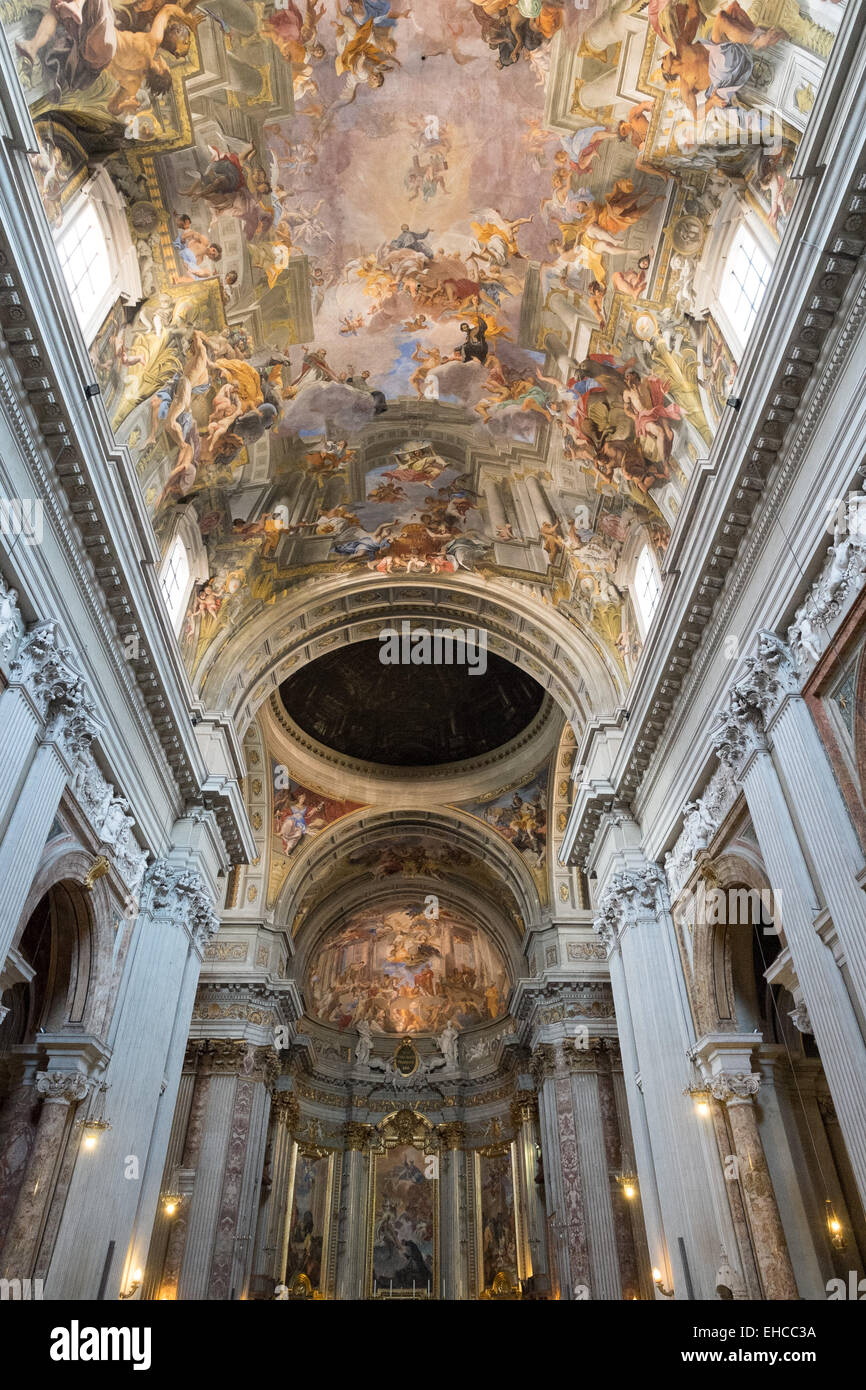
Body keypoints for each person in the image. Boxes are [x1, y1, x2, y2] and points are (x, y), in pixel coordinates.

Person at [17, 0, 199, 113]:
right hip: (91, 58)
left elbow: (167, 9)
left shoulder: (153, 42)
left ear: (161, 70)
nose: (166, 63)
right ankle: (32, 47)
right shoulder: (133, 85)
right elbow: (113, 108)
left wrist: (187, 19)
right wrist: (126, 106)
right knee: (57, 7)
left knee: (94, 12)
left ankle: (77, 7)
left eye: (166, 67)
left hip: (106, 42)